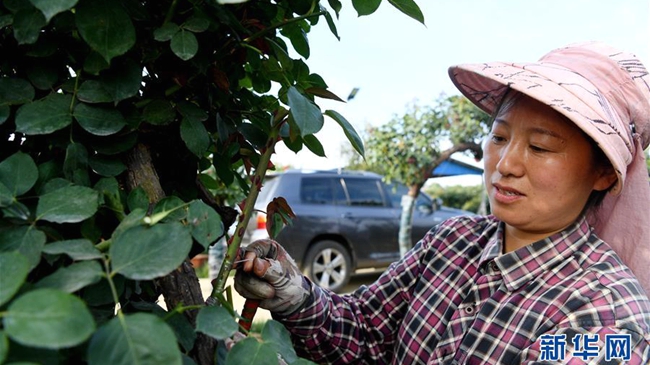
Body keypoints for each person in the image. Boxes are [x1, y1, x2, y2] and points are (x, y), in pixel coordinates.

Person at [234, 42, 650, 364]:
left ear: (604, 174)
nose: (505, 164)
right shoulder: (452, 242)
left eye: (540, 147)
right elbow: (365, 331)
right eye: (500, 137)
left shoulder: (602, 318)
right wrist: (296, 296)